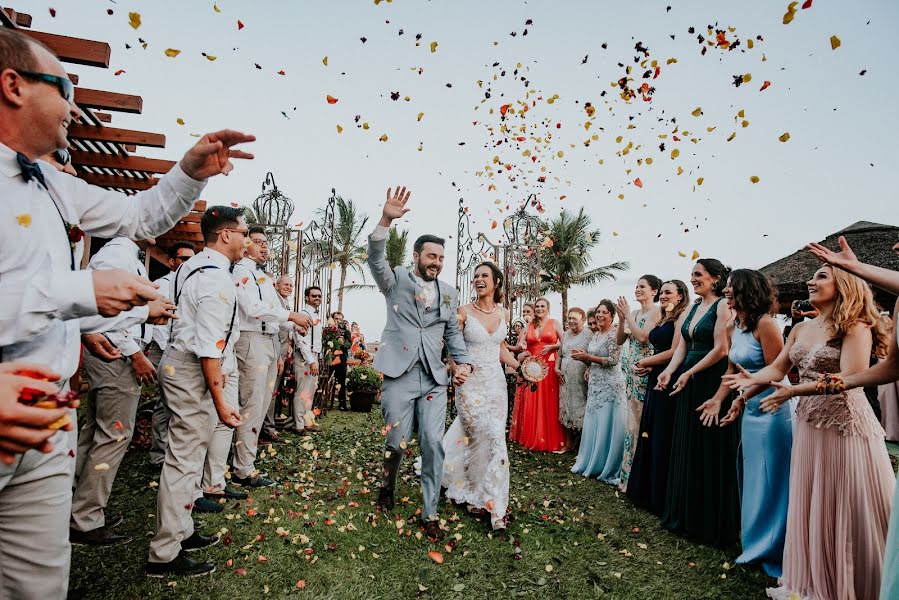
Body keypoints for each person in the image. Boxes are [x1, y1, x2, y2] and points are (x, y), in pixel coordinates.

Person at [0, 27, 254, 599]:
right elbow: (59, 291)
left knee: (37, 582)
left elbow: (142, 215)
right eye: (63, 85)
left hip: (47, 409)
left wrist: (190, 170)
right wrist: (81, 293)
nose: (73, 104)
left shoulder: (53, 186)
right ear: (13, 86)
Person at [737, 235, 899, 599]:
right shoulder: (799, 328)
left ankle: (855, 585)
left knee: (847, 507)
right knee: (814, 503)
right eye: (813, 275)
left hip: (844, 426)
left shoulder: (855, 326)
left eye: (822, 275)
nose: (812, 280)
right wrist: (750, 380)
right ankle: (812, 580)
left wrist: (793, 391)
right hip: (809, 424)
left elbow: (848, 378)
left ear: (842, 282)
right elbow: (777, 368)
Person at [367, 185, 473, 540]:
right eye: (431, 257)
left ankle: (429, 513)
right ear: (416, 256)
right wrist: (385, 220)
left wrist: (463, 362)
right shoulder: (395, 279)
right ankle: (387, 485)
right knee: (396, 442)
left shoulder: (449, 292)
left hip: (434, 377)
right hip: (398, 374)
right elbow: (375, 259)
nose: (436, 263)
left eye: (441, 258)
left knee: (432, 442)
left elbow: (452, 334)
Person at [145, 205, 245, 578]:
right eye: (243, 233)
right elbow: (208, 346)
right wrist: (221, 402)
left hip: (181, 362)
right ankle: (164, 553)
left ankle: (183, 531)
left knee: (188, 454)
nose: (246, 240)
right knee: (184, 459)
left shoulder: (195, 266)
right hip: (191, 368)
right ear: (225, 235)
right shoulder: (215, 279)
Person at [69, 237, 159, 546]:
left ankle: (71, 504)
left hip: (113, 353)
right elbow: (105, 311)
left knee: (95, 430)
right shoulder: (117, 254)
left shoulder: (125, 254)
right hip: (115, 355)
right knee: (114, 435)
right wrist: (135, 353)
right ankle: (85, 519)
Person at [712, 270, 792, 578]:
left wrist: (744, 395)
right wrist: (727, 399)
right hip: (748, 410)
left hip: (773, 410)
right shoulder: (734, 326)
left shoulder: (766, 324)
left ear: (748, 290)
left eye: (732, 288)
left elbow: (777, 373)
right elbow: (733, 371)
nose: (727, 291)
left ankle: (774, 547)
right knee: (753, 476)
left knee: (772, 478)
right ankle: (754, 541)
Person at [657, 258, 740, 548]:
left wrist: (690, 372)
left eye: (698, 274)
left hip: (709, 378)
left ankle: (707, 520)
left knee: (707, 446)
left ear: (716, 278)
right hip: (687, 377)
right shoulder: (692, 308)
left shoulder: (722, 306)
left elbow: (722, 349)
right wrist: (669, 371)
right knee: (687, 442)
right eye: (691, 274)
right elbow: (682, 346)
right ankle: (684, 513)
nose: (693, 279)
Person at [230, 226, 311, 485]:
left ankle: (246, 461)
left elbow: (274, 314)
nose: (264, 247)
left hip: (267, 342)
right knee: (251, 405)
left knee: (262, 404)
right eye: (257, 242)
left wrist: (292, 324)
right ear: (244, 245)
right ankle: (242, 469)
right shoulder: (241, 271)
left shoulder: (263, 276)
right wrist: (291, 316)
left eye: (266, 242)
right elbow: (253, 309)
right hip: (250, 340)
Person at [442, 262, 519, 530]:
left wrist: (522, 368)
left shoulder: (504, 313)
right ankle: (474, 490)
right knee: (476, 437)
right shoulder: (462, 312)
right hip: (470, 382)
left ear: (496, 282)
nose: (478, 279)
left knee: (496, 436)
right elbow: (452, 348)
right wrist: (456, 369)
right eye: (475, 276)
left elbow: (500, 349)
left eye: (484, 275)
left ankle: (495, 502)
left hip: (496, 383)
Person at [627, 280, 690, 515]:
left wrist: (646, 362)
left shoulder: (682, 317)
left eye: (668, 292)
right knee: (650, 431)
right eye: (662, 292)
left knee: (663, 433)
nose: (663, 296)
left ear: (681, 296)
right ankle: (647, 490)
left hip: (670, 377)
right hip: (657, 375)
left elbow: (675, 352)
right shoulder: (664, 319)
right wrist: (651, 366)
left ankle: (661, 493)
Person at [148, 242, 195, 466]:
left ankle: (175, 451)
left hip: (183, 349)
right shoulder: (161, 284)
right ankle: (158, 453)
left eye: (191, 259)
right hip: (164, 347)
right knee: (163, 402)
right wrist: (169, 347)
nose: (187, 263)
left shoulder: (193, 282)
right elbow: (157, 323)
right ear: (172, 261)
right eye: (183, 259)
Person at [615, 275, 662, 492]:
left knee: (643, 424)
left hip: (646, 370)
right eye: (636, 286)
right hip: (631, 374)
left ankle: (641, 480)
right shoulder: (632, 313)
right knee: (631, 425)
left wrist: (629, 318)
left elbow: (644, 338)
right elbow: (620, 340)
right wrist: (623, 319)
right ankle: (628, 477)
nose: (637, 289)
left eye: (642, 286)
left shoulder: (657, 311)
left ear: (654, 291)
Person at [570, 300, 626, 482]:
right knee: (595, 421)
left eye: (604, 312)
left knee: (607, 422)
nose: (600, 315)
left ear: (612, 314)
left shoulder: (613, 334)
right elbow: (594, 360)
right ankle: (592, 460)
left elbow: (613, 360)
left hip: (610, 385)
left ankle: (608, 465)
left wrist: (588, 356)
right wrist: (583, 358)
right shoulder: (596, 335)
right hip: (595, 384)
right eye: (598, 312)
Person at [511, 298, 568, 451]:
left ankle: (550, 438)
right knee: (532, 399)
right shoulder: (529, 325)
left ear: (548, 308)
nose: (539, 309)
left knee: (549, 401)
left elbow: (565, 342)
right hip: (531, 367)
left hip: (549, 366)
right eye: (537, 306)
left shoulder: (555, 323)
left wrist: (553, 346)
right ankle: (532, 436)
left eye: (542, 306)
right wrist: (514, 347)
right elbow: (520, 346)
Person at [292, 286, 323, 434]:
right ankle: (298, 425)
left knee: (310, 392)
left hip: (314, 355)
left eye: (319, 296)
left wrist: (317, 358)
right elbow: (300, 340)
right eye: (314, 296)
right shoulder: (303, 314)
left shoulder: (316, 315)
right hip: (305, 357)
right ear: (307, 298)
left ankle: (307, 422)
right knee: (302, 391)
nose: (317, 298)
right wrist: (311, 361)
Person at [557, 307, 591, 441]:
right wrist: (556, 367)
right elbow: (560, 354)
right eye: (569, 318)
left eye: (574, 318)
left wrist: (589, 368)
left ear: (583, 320)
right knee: (565, 405)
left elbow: (593, 354)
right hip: (565, 377)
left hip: (581, 378)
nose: (571, 321)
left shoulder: (589, 334)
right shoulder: (565, 334)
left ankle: (583, 443)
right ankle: (569, 442)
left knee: (581, 405)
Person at [508, 302, 536, 436]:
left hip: (535, 364)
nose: (525, 315)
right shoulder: (525, 329)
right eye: (524, 312)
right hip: (523, 363)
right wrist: (506, 346)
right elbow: (519, 347)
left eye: (528, 312)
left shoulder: (535, 327)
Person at [331, 311, 350, 411]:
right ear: (333, 319)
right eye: (336, 319)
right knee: (323, 380)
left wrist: (343, 343)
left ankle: (342, 403)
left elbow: (349, 345)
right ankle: (319, 401)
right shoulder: (328, 330)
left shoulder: (346, 332)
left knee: (341, 381)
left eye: (340, 319)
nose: (338, 321)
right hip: (329, 358)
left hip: (341, 359)